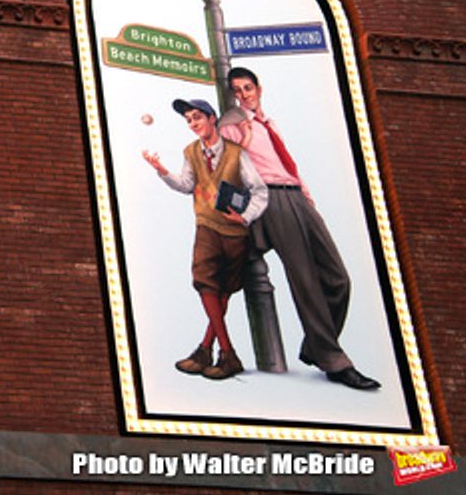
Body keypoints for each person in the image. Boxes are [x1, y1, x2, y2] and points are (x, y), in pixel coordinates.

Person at [223, 66, 380, 390]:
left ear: (258, 88)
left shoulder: (270, 123)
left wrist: (306, 196)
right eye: (237, 90)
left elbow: (285, 162)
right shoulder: (232, 124)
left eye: (247, 88)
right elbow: (229, 162)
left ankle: (314, 347)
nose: (243, 95)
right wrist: (245, 134)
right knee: (305, 280)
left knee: (339, 278)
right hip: (271, 201)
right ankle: (335, 362)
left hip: (296, 196)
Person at [142, 98, 267, 380]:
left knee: (223, 290)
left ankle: (205, 349)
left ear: (212, 118)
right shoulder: (191, 152)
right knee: (204, 281)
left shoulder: (237, 154)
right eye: (188, 120)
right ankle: (227, 352)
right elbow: (187, 186)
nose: (193, 123)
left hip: (234, 232)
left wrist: (245, 216)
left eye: (197, 117)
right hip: (206, 225)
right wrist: (162, 171)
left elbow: (259, 191)